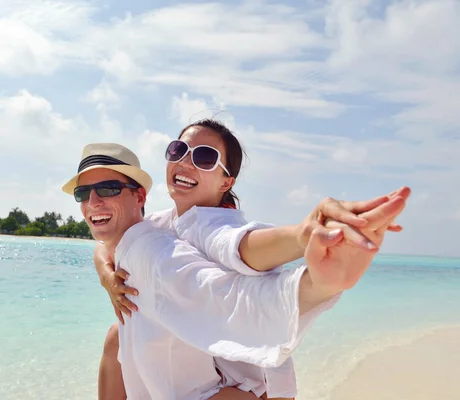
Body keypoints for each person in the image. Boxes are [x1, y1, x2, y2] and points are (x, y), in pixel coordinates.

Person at [62, 141, 409, 399]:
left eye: (204, 156)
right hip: (226, 376)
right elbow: (109, 244)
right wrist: (107, 274)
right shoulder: (161, 225)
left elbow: (236, 264)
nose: (93, 201)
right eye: (179, 149)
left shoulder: (205, 230)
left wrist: (309, 254)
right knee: (115, 338)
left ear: (226, 181)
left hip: (245, 387)